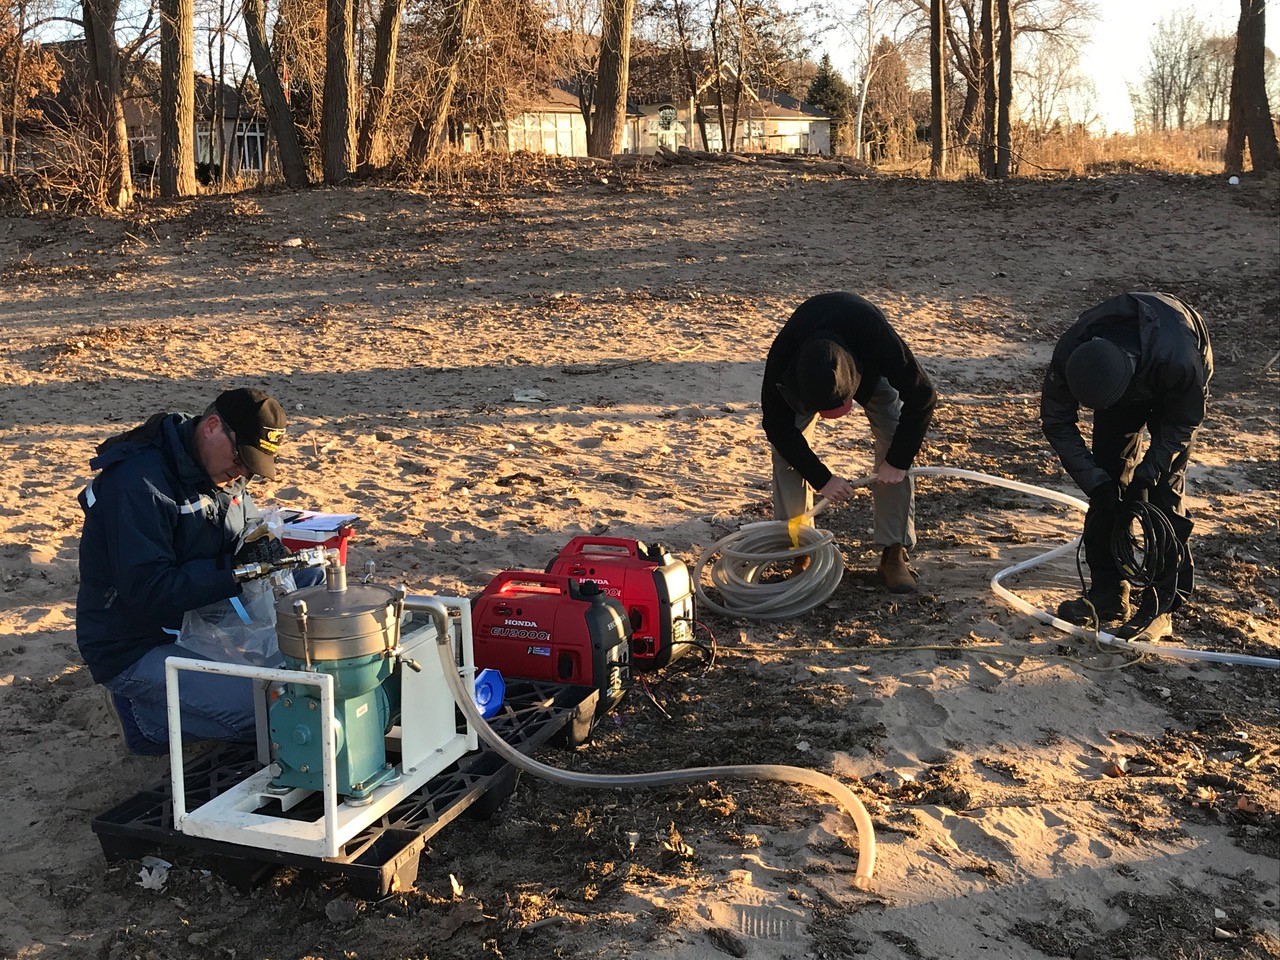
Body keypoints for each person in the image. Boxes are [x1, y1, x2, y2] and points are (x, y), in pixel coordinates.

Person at [76, 387, 290, 754]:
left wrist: (260, 545)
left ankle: (187, 698)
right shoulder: (137, 484)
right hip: (133, 644)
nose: (241, 474)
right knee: (269, 712)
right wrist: (235, 570)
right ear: (211, 426)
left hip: (194, 622)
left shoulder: (225, 472)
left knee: (296, 677)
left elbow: (244, 526)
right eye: (241, 460)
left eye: (251, 469)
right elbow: (148, 590)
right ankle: (145, 721)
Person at [1041, 292, 1212, 641]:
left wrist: (1149, 473)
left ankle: (1161, 604)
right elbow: (1056, 420)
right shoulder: (1073, 353)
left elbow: (1184, 422)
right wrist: (1096, 483)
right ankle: (1108, 593)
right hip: (1124, 375)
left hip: (1174, 381)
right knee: (1107, 475)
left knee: (1164, 492)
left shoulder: (1180, 361)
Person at [762, 291, 938, 592]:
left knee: (895, 436)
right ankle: (802, 551)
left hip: (866, 362)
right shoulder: (782, 359)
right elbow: (777, 428)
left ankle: (893, 553)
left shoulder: (875, 333)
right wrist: (822, 479)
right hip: (801, 374)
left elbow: (923, 395)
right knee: (786, 455)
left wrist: (897, 461)